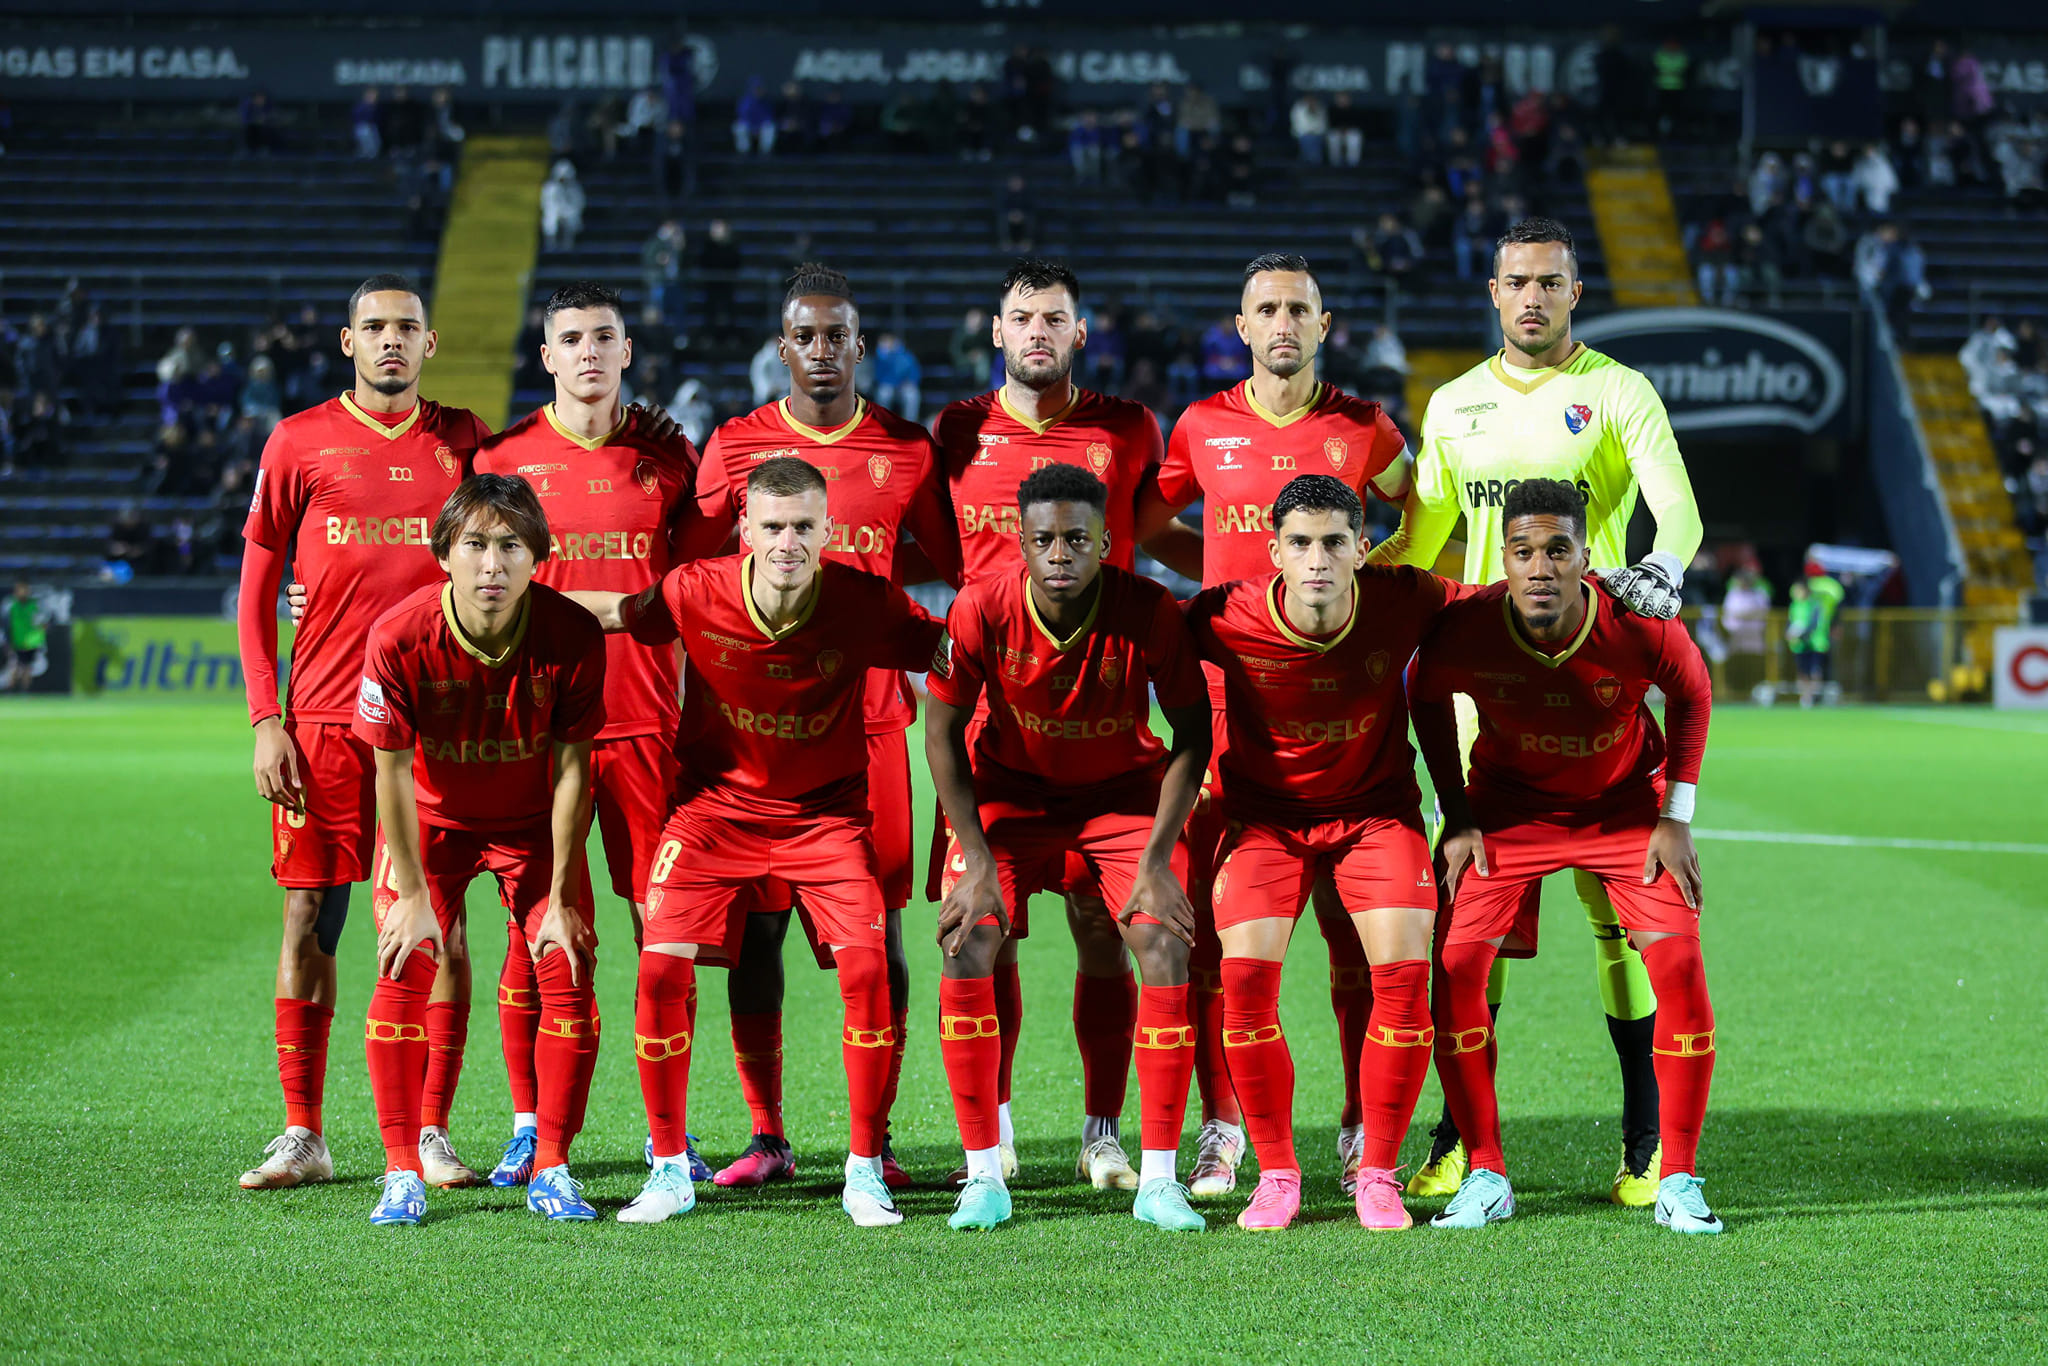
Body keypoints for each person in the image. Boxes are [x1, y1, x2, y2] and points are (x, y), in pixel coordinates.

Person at [1368, 217, 1703, 1207]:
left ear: (1574, 292)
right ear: (1492, 291)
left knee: (1617, 918)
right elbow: (1422, 535)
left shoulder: (1618, 393)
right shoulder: (1454, 403)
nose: (1531, 298)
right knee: (1473, 924)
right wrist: (1348, 583)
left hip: (1593, 689)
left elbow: (1677, 508)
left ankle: (1644, 1139)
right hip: (1485, 696)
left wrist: (1661, 567)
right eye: (1515, 281)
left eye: (1549, 282)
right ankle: (1457, 1141)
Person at [573, 456, 946, 1228]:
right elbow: (614, 613)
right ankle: (669, 1169)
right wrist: (498, 598)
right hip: (713, 817)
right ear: (744, 529)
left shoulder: (863, 601)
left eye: (804, 526)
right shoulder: (692, 589)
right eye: (773, 526)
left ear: (829, 530)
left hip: (825, 820)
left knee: (870, 968)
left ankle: (865, 1169)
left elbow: (950, 650)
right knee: (659, 969)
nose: (788, 542)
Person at [1137, 253, 1412, 1201]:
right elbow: (1147, 526)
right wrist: (1222, 582)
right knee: (1219, 944)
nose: (1284, 322)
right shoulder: (1201, 425)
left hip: (1339, 706)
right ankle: (1223, 1130)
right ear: (1242, 326)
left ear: (1323, 324)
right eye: (1267, 308)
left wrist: (1369, 587)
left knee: (1353, 936)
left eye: (1299, 307)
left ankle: (1356, 1127)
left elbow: (1423, 510)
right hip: (1228, 710)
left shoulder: (1365, 427)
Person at [689, 265, 960, 1192]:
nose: (821, 350)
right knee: (757, 933)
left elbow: (955, 562)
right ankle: (767, 1134)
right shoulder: (735, 446)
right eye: (805, 336)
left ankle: (872, 1142)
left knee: (877, 940)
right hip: (761, 733)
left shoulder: (906, 450)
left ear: (860, 344)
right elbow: (688, 564)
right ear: (782, 348)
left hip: (872, 727)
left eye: (837, 335)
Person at [931, 259, 1192, 1189]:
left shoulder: (1129, 427)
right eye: (1021, 317)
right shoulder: (955, 431)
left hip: (1104, 712)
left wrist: (1250, 578)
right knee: (982, 925)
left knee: (1102, 927)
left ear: (1081, 332)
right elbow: (934, 548)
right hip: (993, 721)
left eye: (1054, 318)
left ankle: (1103, 1133)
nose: (1036, 331)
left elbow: (1153, 538)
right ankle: (994, 1132)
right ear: (995, 330)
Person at [1408, 477, 1722, 1235]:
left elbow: (1693, 691)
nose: (1540, 568)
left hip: (1624, 813)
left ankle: (1677, 1176)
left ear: (1586, 557)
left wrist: (1675, 817)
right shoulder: (1469, 626)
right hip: (1510, 813)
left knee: (1680, 966)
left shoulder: (1636, 623)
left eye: (1557, 550)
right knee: (1455, 970)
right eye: (1523, 552)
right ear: (1504, 559)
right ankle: (1486, 1172)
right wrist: (1457, 814)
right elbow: (1422, 691)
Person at [235, 275, 493, 1192]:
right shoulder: (297, 441)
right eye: (374, 326)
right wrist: (266, 719)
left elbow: (516, 541)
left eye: (407, 327)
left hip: (433, 729)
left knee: (439, 925)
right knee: (311, 913)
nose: (391, 339)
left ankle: (431, 1131)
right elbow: (257, 590)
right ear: (348, 342)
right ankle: (303, 1133)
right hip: (320, 724)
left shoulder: (465, 441)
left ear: (430, 343)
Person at [926, 463, 1211, 1233]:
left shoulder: (1148, 610)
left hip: (1121, 801)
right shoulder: (980, 608)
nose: (1060, 553)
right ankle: (985, 1172)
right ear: (1020, 542)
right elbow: (941, 732)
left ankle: (1156, 1179)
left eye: (1077, 539)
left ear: (1106, 544)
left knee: (1161, 943)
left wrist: (1157, 859)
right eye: (1045, 539)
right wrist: (975, 859)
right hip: (1009, 800)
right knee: (968, 939)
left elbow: (1194, 733)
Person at [472, 282, 705, 1186]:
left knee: (662, 930)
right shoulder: (503, 459)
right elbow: (469, 587)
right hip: (538, 733)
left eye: (604, 337)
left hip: (649, 727)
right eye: (571, 339)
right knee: (536, 929)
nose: (589, 353)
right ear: (547, 356)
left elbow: (699, 588)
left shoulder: (669, 456)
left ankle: (666, 1136)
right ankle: (528, 1125)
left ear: (627, 351)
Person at [1185, 476, 1458, 1231]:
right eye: (1300, 543)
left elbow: (1496, 608)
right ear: (1273, 552)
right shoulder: (1226, 613)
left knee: (1404, 979)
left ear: (1362, 549)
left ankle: (1377, 1174)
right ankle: (1277, 1174)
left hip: (1375, 817)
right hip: (1266, 822)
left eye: (1335, 542)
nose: (1317, 559)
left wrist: (1599, 592)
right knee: (1243, 982)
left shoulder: (1405, 596)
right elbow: (1137, 636)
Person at [353, 473, 606, 1226]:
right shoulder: (398, 637)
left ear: (538, 557)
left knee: (568, 964)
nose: (492, 564)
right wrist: (411, 895)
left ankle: (553, 1166)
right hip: (431, 826)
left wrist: (562, 896)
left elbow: (574, 769)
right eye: (475, 545)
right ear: (443, 555)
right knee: (405, 961)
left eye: (511, 546)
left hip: (531, 825)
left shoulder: (572, 633)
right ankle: (401, 1170)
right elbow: (390, 772)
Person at [1786, 565, 1844, 706]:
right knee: (1803, 670)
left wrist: (1803, 632)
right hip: (1799, 643)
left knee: (1815, 669)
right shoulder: (1796, 604)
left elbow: (1817, 621)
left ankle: (1813, 696)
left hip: (1816, 640)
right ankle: (1805, 696)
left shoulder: (1816, 605)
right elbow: (1791, 620)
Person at [5, 581, 47, 692]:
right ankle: (10, 691)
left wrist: (41, 628)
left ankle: (25, 692)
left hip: (31, 642)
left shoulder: (35, 605)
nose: (22, 593)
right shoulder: (12, 605)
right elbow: (7, 624)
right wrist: (9, 641)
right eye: (19, 590)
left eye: (24, 590)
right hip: (17, 642)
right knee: (14, 667)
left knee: (27, 668)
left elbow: (43, 623)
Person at [869, 332, 922, 422]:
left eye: (887, 342)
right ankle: (883, 422)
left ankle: (910, 423)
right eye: (882, 342)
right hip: (888, 385)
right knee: (883, 394)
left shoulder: (906, 355)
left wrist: (910, 381)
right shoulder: (880, 357)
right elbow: (877, 375)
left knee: (912, 395)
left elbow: (914, 372)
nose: (884, 345)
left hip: (904, 386)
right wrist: (883, 357)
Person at [540, 161, 585, 253]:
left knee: (571, 221)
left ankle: (568, 245)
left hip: (569, 212)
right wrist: (557, 211)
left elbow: (579, 203)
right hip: (554, 212)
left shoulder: (575, 188)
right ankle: (551, 245)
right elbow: (547, 203)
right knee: (551, 221)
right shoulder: (550, 188)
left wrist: (568, 210)